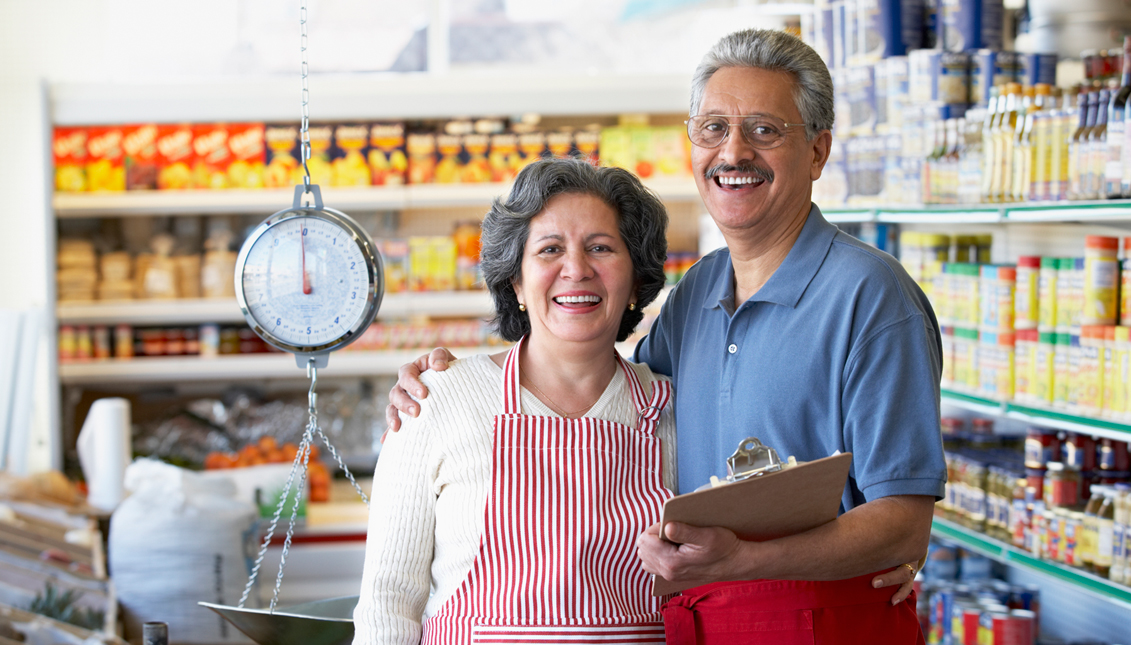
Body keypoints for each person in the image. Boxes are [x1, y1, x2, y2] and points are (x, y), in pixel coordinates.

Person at [387, 29, 943, 644]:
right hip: (700, 624)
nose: (733, 152)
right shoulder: (697, 296)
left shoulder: (871, 296)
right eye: (712, 129)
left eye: (764, 130)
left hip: (828, 625)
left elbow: (902, 525)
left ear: (817, 151)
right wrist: (450, 380)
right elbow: (604, 390)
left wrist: (743, 562)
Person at [353, 158, 678, 644]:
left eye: (601, 247)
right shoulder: (437, 400)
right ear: (517, 284)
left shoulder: (673, 412)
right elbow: (387, 605)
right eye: (550, 249)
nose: (576, 269)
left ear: (635, 281)